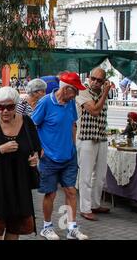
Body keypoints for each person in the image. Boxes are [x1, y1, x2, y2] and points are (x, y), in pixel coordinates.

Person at [0, 87, 40, 240]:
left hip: (19, 186)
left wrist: (35, 158)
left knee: (14, 229)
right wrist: (0, 149)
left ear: (16, 105)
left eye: (9, 107)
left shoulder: (27, 122)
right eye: (0, 107)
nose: (5, 111)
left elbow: (36, 148)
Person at [31, 71, 89, 240]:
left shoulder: (70, 103)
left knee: (71, 191)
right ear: (66, 89)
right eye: (75, 91)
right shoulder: (45, 103)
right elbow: (32, 126)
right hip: (49, 158)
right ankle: (47, 227)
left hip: (69, 156)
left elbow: (72, 124)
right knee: (51, 194)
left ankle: (71, 228)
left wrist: (73, 146)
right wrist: (38, 148)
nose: (77, 95)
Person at [76, 68, 112, 221]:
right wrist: (105, 92)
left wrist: (104, 93)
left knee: (100, 174)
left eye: (100, 80)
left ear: (104, 82)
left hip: (101, 137)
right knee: (85, 175)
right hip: (86, 138)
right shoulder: (82, 93)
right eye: (93, 78)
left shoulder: (102, 93)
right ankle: (85, 208)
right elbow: (95, 111)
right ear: (89, 78)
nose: (96, 82)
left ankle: (95, 204)